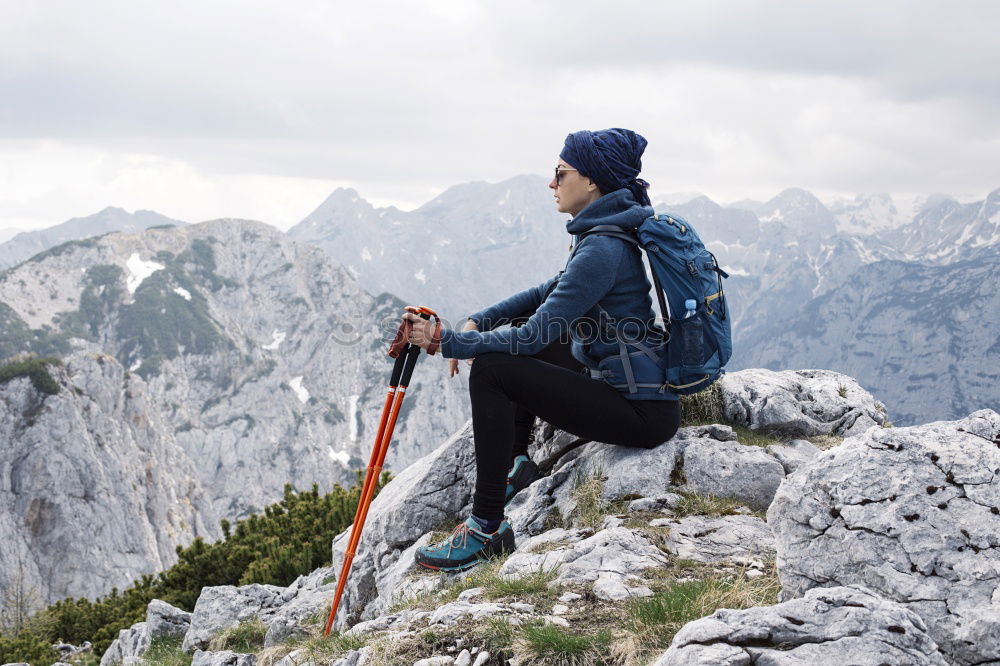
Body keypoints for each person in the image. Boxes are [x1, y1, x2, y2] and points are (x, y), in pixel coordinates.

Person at [401, 128, 681, 571]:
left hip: (640, 413)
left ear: (591, 182)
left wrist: (446, 340)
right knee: (512, 340)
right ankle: (515, 464)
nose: (552, 184)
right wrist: (481, 319)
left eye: (560, 173)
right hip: (625, 382)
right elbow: (548, 291)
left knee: (493, 368)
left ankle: (486, 529)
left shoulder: (602, 250)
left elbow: (532, 337)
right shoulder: (604, 233)